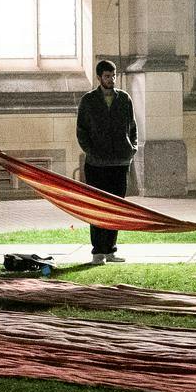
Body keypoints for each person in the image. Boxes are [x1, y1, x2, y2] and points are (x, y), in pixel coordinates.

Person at [75, 59, 137, 263]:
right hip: (96, 164)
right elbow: (81, 131)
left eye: (114, 75)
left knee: (115, 207)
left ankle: (110, 251)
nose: (112, 79)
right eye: (107, 76)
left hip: (120, 163)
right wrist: (91, 152)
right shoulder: (89, 100)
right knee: (97, 207)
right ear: (99, 77)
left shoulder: (124, 99)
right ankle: (97, 252)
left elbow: (133, 127)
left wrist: (131, 149)